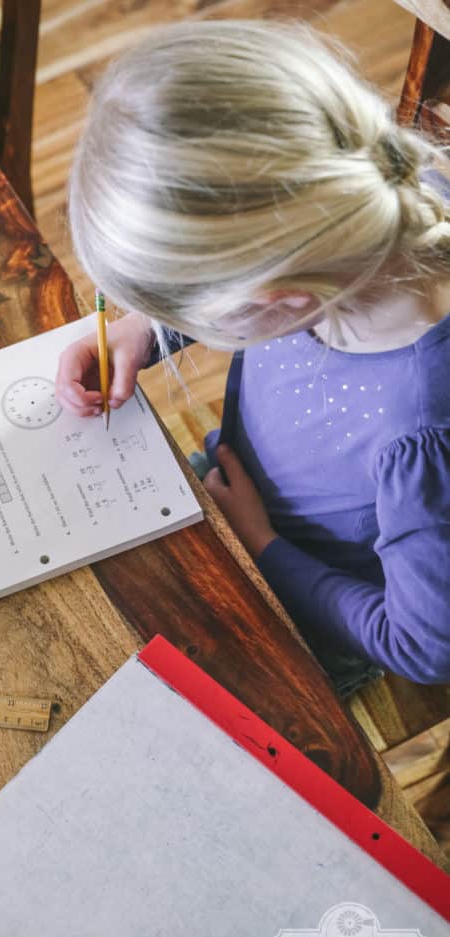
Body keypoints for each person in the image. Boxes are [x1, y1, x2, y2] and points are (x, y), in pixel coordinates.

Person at [54, 19, 450, 692]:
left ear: (279, 297)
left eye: (187, 307)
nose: (179, 321)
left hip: (309, 614)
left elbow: (422, 647)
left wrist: (263, 547)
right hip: (239, 495)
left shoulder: (422, 435)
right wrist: (146, 328)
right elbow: (273, 236)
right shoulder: (367, 205)